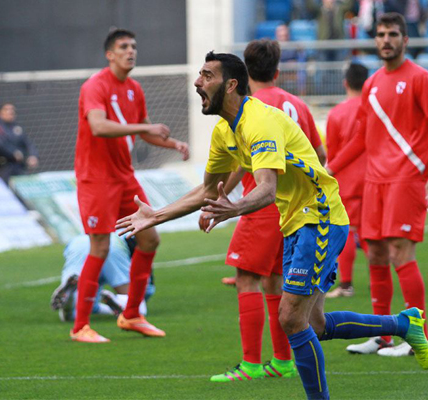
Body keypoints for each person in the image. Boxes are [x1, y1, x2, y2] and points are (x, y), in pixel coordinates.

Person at [117, 51, 428, 399]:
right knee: (314, 324)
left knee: (291, 318)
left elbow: (267, 188)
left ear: (231, 84)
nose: (197, 82)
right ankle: (405, 323)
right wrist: (156, 215)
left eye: (207, 75)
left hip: (319, 216)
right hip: (295, 222)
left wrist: (233, 208)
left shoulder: (259, 122)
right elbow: (207, 189)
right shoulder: (225, 131)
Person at [206, 38, 326, 383]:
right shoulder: (296, 104)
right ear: (276, 68)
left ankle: (250, 365)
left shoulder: (250, 108)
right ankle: (283, 360)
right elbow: (319, 155)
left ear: (240, 72)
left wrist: (219, 199)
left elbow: (246, 163)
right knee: (275, 279)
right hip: (294, 208)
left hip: (259, 204)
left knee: (246, 278)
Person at [71, 28, 190, 343]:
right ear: (110, 54)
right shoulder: (95, 86)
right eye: (123, 47)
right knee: (100, 246)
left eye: (134, 46)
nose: (130, 51)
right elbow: (98, 126)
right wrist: (144, 126)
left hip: (124, 177)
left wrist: (173, 143)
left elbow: (142, 132)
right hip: (95, 178)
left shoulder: (134, 88)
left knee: (150, 239)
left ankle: (132, 314)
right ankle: (80, 326)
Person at [327, 13, 428, 357]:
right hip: (375, 180)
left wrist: (421, 170)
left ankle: (418, 336)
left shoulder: (419, 78)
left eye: (393, 34)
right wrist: (331, 167)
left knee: (402, 252)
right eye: (381, 34)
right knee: (377, 256)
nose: (386, 39)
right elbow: (361, 138)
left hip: (406, 178)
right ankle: (383, 333)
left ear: (405, 39)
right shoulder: (370, 84)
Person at [324, 63, 369, 299]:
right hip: (374, 179)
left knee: (348, 231)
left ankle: (346, 284)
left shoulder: (337, 113)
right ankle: (378, 276)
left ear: (345, 83)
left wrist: (329, 170)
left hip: (347, 181)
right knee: (370, 232)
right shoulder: (374, 109)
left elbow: (332, 150)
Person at [50, 233, 155, 322]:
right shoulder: (132, 227)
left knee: (77, 312)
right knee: (138, 307)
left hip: (79, 242)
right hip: (113, 244)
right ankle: (119, 301)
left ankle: (70, 300)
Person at [0, 102, 38, 185]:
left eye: (12, 110)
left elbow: (28, 143)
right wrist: (13, 153)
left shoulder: (17, 128)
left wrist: (33, 155)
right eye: (6, 110)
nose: (10, 112)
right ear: (0, 113)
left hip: (19, 167)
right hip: (4, 167)